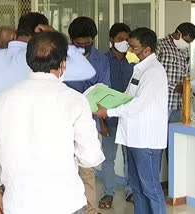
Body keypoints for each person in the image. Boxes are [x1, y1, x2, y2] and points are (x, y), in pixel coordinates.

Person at [0, 12, 96, 214]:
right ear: (63, 64)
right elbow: (87, 70)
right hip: (63, 201)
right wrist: (59, 40)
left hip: (17, 199)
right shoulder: (74, 99)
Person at [95, 27, 168, 214]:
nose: (129, 51)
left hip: (146, 140)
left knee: (151, 189)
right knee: (136, 187)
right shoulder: (139, 69)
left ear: (147, 50)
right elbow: (128, 98)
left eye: (133, 47)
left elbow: (138, 105)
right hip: (133, 137)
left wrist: (109, 112)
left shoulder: (154, 72)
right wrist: (107, 103)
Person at [65, 16, 111, 214]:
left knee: (87, 169)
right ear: (70, 40)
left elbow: (104, 89)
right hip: (63, 123)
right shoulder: (61, 57)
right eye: (78, 44)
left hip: (88, 122)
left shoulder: (101, 59)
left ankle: (89, 210)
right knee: (65, 168)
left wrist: (101, 121)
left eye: (88, 43)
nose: (84, 47)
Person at [98, 23, 133, 210]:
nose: (124, 43)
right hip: (109, 118)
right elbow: (98, 92)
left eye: (127, 39)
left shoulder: (133, 61)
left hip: (128, 118)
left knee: (130, 157)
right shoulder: (103, 61)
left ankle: (130, 191)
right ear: (111, 40)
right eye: (120, 39)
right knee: (109, 158)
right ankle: (108, 193)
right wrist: (101, 121)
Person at [156, 22, 195, 162]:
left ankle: (173, 181)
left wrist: (191, 88)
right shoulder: (159, 45)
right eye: (187, 41)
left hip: (179, 104)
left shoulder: (184, 50)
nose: (188, 44)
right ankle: (156, 181)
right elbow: (153, 75)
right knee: (158, 144)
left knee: (175, 145)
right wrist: (174, 87)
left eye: (190, 42)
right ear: (178, 34)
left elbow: (186, 74)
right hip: (162, 103)